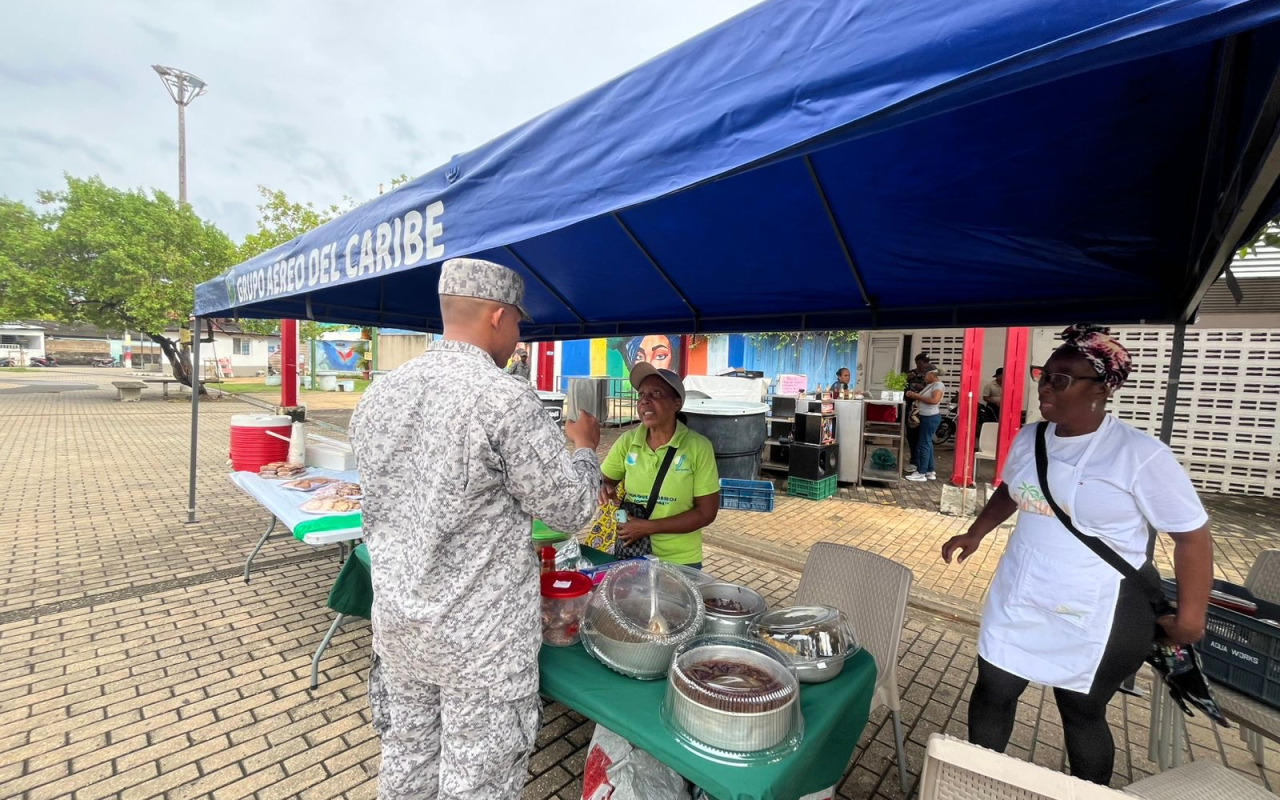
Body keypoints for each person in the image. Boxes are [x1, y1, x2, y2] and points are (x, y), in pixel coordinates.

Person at [350, 257, 602, 800]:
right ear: (498, 316)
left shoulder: (380, 394)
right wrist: (584, 449)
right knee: (477, 785)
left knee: (407, 765)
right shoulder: (501, 398)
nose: (518, 338)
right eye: (518, 324)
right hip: (480, 647)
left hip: (401, 627)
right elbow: (571, 510)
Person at [940, 324, 1213, 785]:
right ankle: (976, 785)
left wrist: (1190, 619)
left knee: (1081, 711)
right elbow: (1012, 489)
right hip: (1021, 592)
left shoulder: (1139, 454)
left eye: (1060, 379)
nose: (1045, 386)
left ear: (1103, 388)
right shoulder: (1030, 437)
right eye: (1043, 375)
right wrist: (976, 532)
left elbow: (1193, 537)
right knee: (993, 690)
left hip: (1098, 607)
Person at [600, 363, 719, 569]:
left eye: (656, 393)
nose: (645, 400)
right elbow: (604, 479)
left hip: (681, 561)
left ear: (676, 403)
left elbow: (706, 513)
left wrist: (648, 527)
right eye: (641, 394)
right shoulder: (628, 441)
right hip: (632, 554)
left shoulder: (698, 447)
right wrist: (604, 487)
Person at [905, 366, 944, 481]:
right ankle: (929, 471)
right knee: (928, 444)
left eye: (926, 375)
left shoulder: (938, 385)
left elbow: (934, 400)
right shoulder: (931, 385)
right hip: (926, 416)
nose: (924, 377)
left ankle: (921, 472)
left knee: (923, 444)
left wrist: (917, 396)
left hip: (930, 418)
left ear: (932, 374)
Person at [904, 352, 931, 472]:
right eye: (918, 363)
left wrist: (922, 389)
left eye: (922, 363)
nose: (920, 366)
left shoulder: (930, 375)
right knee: (911, 436)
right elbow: (899, 386)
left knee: (923, 439)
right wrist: (905, 378)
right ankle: (914, 461)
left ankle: (923, 465)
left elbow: (934, 393)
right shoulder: (911, 373)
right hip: (911, 408)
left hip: (924, 410)